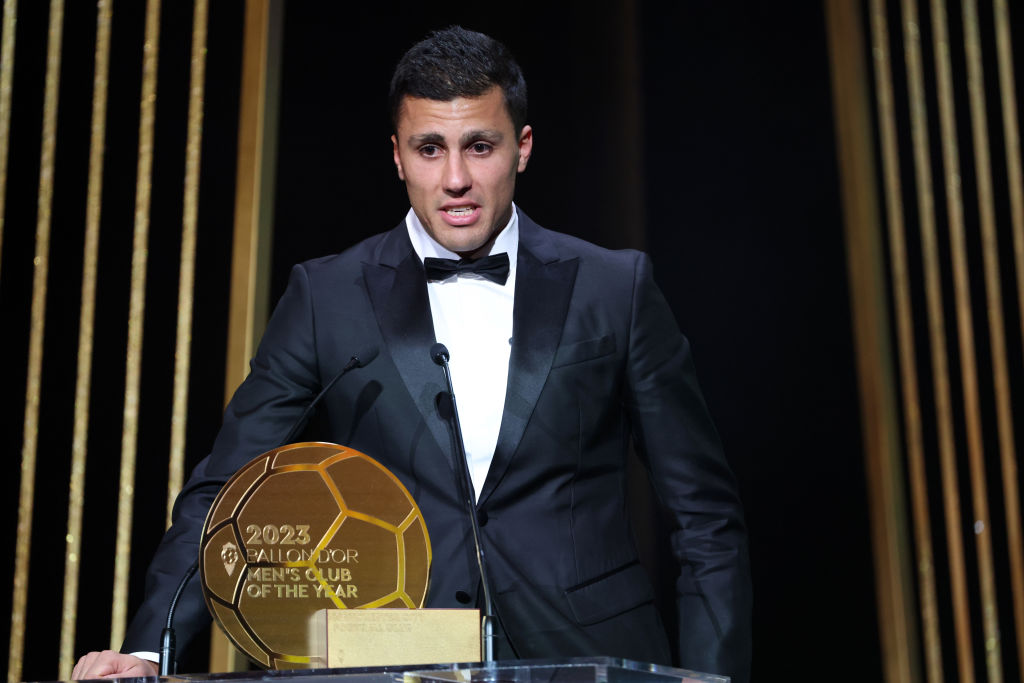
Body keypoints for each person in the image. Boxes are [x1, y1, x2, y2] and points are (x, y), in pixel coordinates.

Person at [73, 26, 751, 682]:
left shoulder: (615, 286)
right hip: (396, 659)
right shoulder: (326, 296)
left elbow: (705, 515)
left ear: (522, 147)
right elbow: (227, 489)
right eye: (430, 149)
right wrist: (149, 649)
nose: (455, 177)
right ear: (397, 156)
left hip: (591, 651)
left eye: (479, 146)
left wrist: (713, 673)